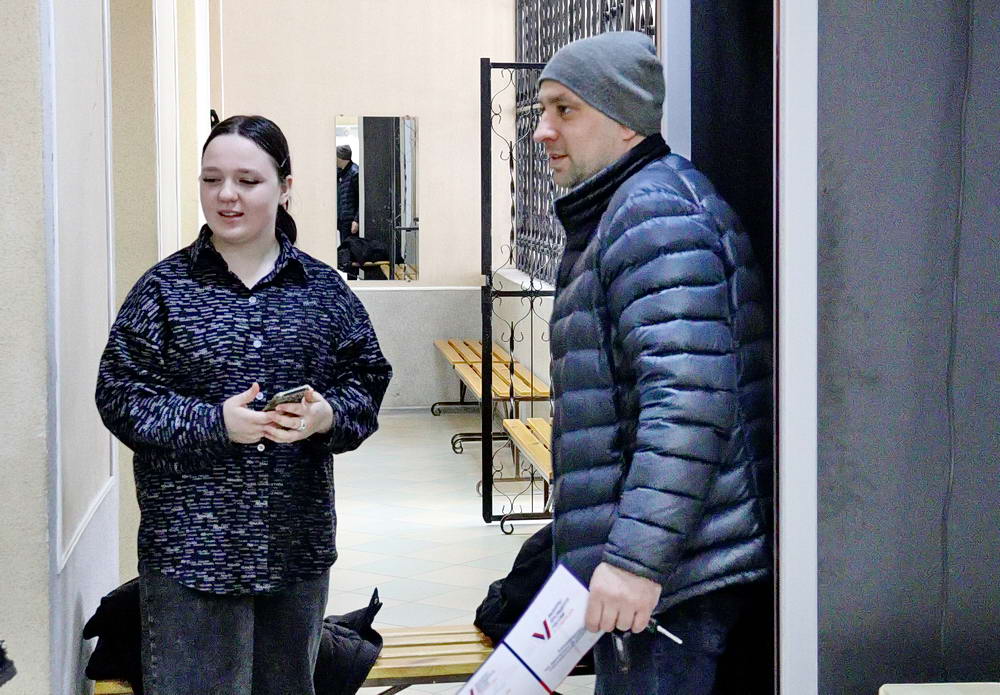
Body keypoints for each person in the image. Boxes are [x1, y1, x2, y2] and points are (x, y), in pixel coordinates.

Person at [96, 115, 392, 695]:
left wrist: (326, 415)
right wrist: (214, 424)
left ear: (284, 188)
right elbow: (120, 395)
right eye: (212, 180)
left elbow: (368, 380)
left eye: (247, 181)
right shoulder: (163, 290)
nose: (226, 195)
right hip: (190, 556)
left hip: (294, 550)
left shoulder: (323, 292)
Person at [533, 32, 772, 694]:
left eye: (564, 109)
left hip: (675, 580)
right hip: (673, 569)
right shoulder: (628, 209)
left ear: (625, 120)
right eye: (543, 110)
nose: (543, 131)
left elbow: (687, 404)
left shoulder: (654, 213)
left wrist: (635, 561)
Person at [336, 144, 360, 238]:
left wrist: (357, 220)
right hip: (342, 221)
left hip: (350, 222)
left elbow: (361, 199)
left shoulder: (355, 173)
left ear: (341, 158)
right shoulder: (340, 173)